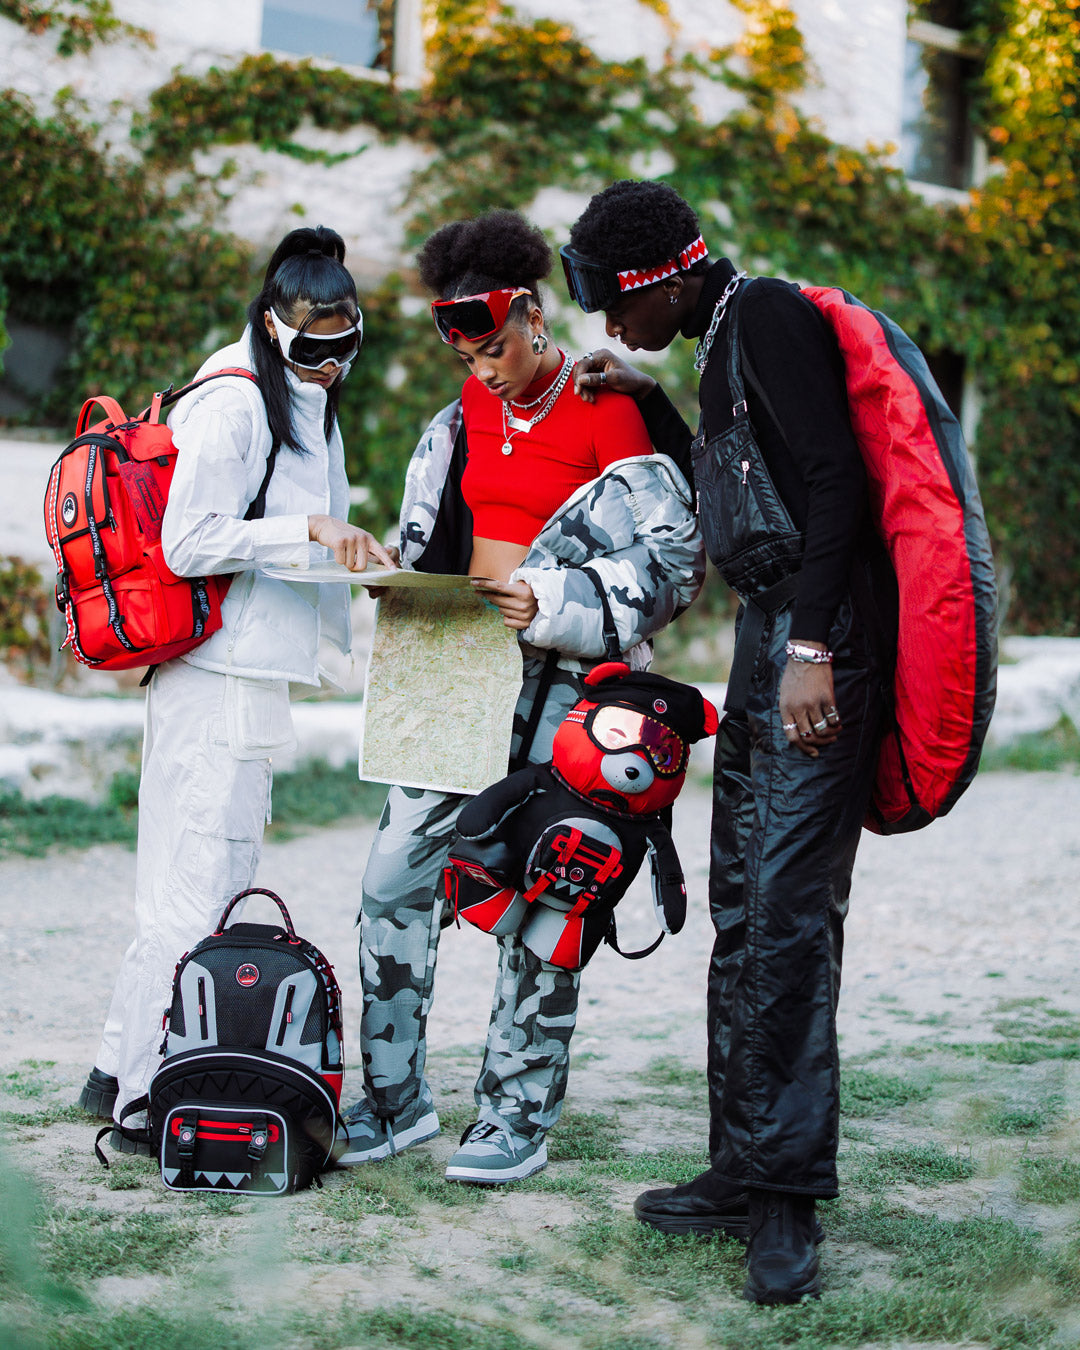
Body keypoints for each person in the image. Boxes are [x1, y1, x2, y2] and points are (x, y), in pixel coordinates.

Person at [561, 180, 896, 1303]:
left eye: (615, 303)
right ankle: (741, 1166)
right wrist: (656, 403)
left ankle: (787, 1201)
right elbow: (739, 475)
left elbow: (836, 483)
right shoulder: (719, 342)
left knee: (790, 914)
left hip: (818, 639)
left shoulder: (769, 316)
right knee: (743, 905)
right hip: (769, 634)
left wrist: (811, 647)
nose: (610, 325)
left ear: (661, 277)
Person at [339, 209, 705, 1184]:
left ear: (532, 316)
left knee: (547, 897)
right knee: (392, 884)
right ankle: (393, 1100)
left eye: (494, 348)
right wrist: (396, 571)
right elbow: (442, 541)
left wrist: (557, 602)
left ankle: (515, 1116)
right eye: (465, 357)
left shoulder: (606, 407)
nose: (484, 372)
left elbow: (674, 564)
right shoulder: (462, 414)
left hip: (569, 689)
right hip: (456, 670)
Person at [78, 226, 394, 1140]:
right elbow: (189, 541)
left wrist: (353, 557)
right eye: (313, 348)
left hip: (238, 673)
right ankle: (147, 1099)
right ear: (272, 324)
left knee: (186, 879)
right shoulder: (236, 401)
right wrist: (310, 532)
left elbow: (286, 532)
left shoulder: (293, 395)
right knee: (202, 887)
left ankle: (116, 1066)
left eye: (345, 346)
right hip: (216, 677)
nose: (330, 366)